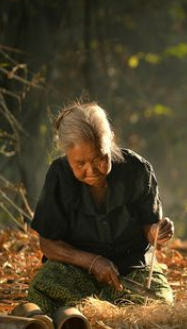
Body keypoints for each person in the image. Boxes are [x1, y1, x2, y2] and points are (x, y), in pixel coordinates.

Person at [27, 101, 174, 315]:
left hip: (130, 271)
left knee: (160, 305)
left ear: (111, 141)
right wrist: (92, 262)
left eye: (99, 159)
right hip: (75, 272)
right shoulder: (59, 176)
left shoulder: (138, 170)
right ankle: (84, 318)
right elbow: (48, 243)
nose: (91, 170)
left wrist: (157, 233)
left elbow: (148, 227)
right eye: (80, 164)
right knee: (42, 290)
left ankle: (92, 312)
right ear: (66, 155)